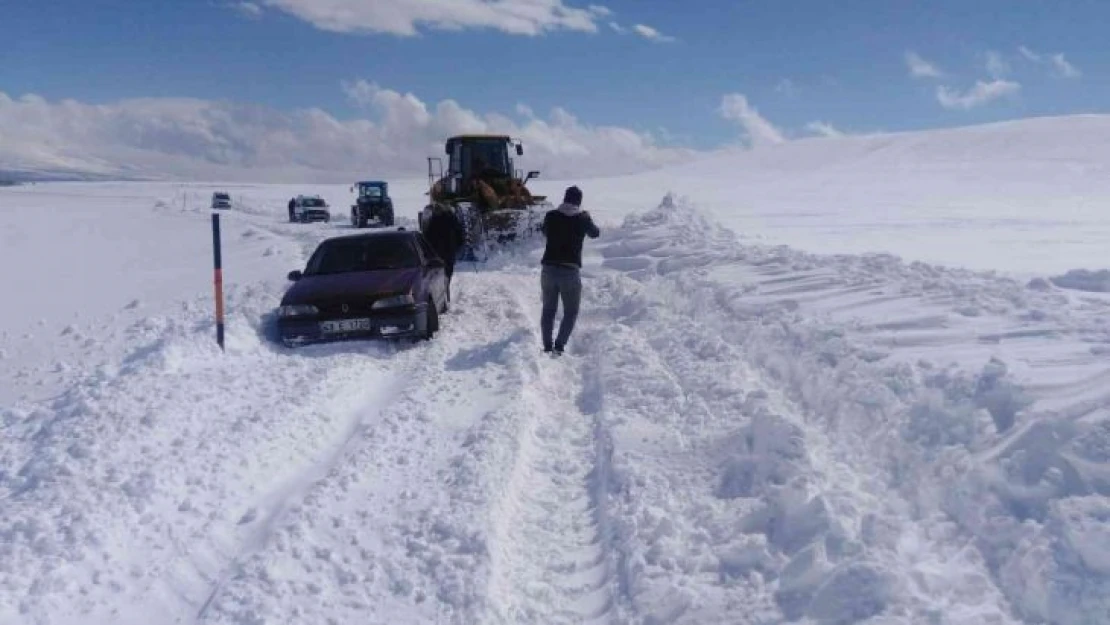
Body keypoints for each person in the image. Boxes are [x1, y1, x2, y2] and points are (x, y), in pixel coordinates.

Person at [539, 185, 600, 355]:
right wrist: (587, 218)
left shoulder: (551, 216)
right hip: (570, 271)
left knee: (548, 309)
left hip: (548, 269)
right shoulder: (582, 218)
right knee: (571, 311)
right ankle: (559, 346)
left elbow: (544, 231)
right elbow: (595, 234)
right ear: (579, 201)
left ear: (564, 199)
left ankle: (546, 346)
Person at [422, 204, 466, 303]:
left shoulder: (434, 221)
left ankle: (442, 297)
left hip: (437, 253)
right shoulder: (453, 220)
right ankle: (446, 295)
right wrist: (457, 247)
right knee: (448, 274)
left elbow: (428, 236)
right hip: (450, 252)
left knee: (438, 276)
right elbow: (461, 236)